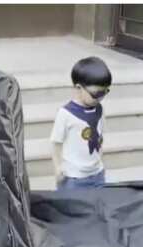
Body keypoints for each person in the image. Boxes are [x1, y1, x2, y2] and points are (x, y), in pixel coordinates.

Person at [51, 56, 111, 190]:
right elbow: (56, 143)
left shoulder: (99, 109)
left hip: (97, 174)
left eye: (105, 92)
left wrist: (100, 160)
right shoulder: (65, 114)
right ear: (79, 88)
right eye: (96, 94)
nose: (100, 98)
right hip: (73, 177)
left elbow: (100, 136)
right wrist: (57, 167)